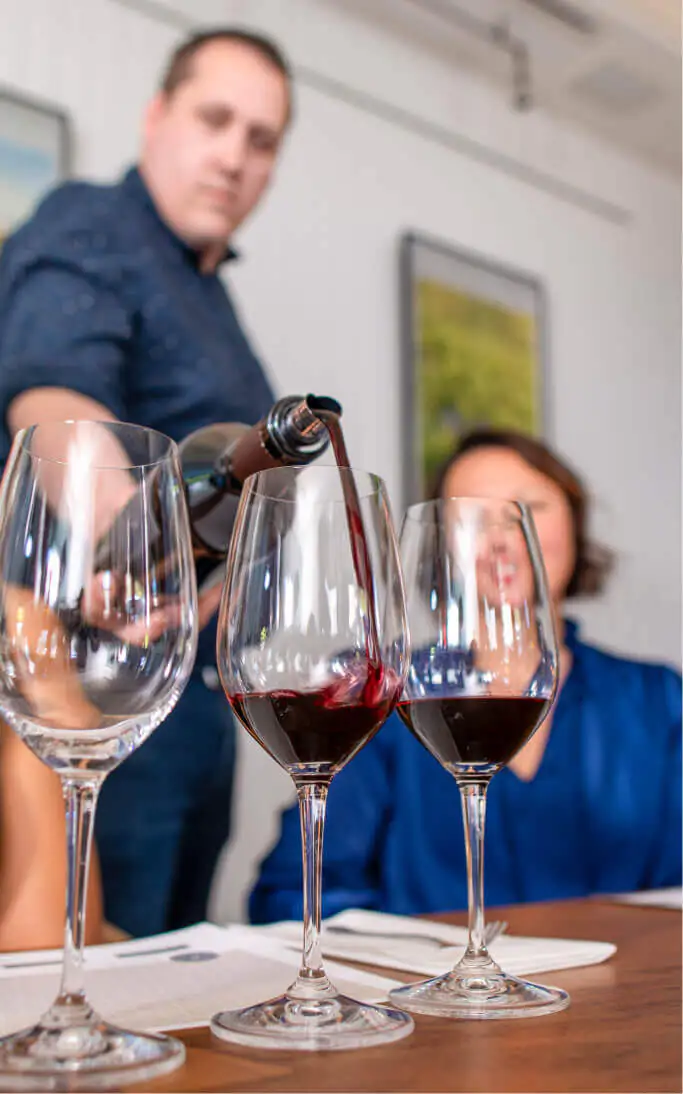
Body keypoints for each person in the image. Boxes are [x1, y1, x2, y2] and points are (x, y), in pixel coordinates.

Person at [0, 27, 293, 937]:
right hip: (89, 691)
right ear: (157, 116)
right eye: (216, 119)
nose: (234, 156)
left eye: (262, 139)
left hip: (192, 700)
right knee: (86, 988)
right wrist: (142, 548)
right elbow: (55, 406)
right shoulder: (91, 223)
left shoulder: (213, 297)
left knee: (172, 986)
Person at [250, 429, 682, 922]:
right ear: (440, 549)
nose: (500, 539)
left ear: (576, 524)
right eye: (469, 519)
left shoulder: (657, 699)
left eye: (528, 508)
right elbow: (292, 895)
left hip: (630, 992)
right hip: (428, 993)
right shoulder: (383, 694)